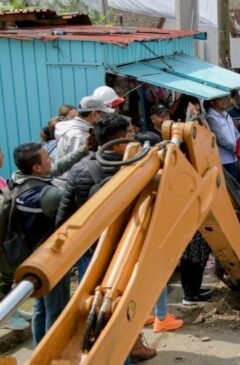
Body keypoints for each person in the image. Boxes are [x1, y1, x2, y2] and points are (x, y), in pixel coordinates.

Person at [55, 114, 158, 361]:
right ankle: (122, 355)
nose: (136, 137)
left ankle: (127, 350)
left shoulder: (80, 170)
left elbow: (64, 219)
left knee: (95, 310)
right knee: (125, 308)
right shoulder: (141, 168)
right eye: (132, 134)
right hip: (131, 251)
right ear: (121, 141)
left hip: (90, 253)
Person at [11, 138, 88, 345]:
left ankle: (39, 349)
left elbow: (55, 169)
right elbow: (76, 195)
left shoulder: (20, 180)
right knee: (57, 309)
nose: (51, 159)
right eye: (47, 157)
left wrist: (84, 150)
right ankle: (53, 350)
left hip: (32, 258)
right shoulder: (47, 196)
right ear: (36, 167)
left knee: (40, 308)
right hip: (50, 260)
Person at [54, 96, 111, 161]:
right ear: (94, 114)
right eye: (102, 114)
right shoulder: (78, 136)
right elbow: (79, 167)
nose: (103, 118)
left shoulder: (70, 127)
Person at [206, 96, 240, 177]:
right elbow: (220, 140)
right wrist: (237, 148)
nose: (224, 101)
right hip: (223, 161)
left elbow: (236, 133)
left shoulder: (226, 114)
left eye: (225, 98)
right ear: (212, 102)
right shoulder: (211, 117)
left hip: (234, 158)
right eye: (220, 99)